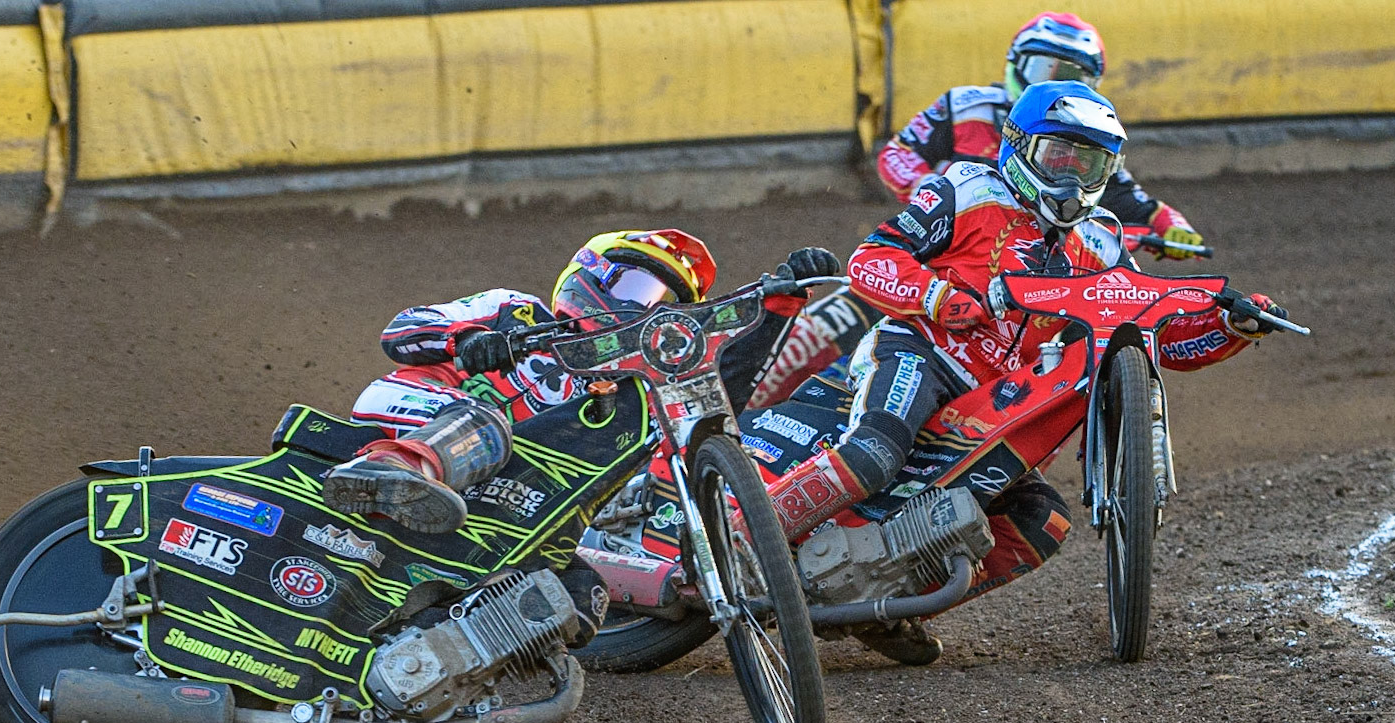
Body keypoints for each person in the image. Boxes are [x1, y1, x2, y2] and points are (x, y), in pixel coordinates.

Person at [756, 80, 1286, 662]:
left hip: (1000, 399)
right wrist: (938, 297)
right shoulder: (966, 188)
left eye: (1089, 164)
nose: (1069, 178)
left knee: (1044, 522)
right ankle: (743, 541)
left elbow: (1155, 332)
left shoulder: (1102, 239)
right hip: (923, 351)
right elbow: (872, 259)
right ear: (1018, 146)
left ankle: (886, 606)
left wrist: (1234, 328)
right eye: (1057, 157)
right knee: (877, 451)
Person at [748, 10, 1203, 410]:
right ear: (1015, 63)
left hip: (1013, 290)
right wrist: (947, 189)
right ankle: (753, 399)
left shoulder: (1080, 151)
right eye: (1044, 67)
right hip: (939, 250)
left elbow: (1139, 203)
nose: (1053, 80)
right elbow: (896, 155)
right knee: (835, 320)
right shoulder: (964, 104)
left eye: (1074, 75)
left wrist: (1177, 229)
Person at [321, 229, 839, 531]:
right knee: (484, 425)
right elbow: (401, 330)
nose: (644, 310)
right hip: (403, 418)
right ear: (591, 274)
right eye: (638, 288)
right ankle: (393, 473)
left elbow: (714, 401)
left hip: (508, 491)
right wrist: (466, 340)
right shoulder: (512, 308)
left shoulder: (627, 385)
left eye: (665, 305)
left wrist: (776, 308)